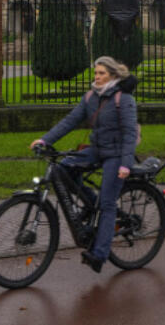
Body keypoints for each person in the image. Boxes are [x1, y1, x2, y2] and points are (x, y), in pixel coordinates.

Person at [30, 56, 138, 273]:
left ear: (113, 76)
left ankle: (99, 255)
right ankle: (91, 202)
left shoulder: (123, 99)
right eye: (95, 73)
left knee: (107, 203)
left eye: (102, 74)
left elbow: (129, 132)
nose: (97, 77)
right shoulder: (90, 97)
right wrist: (45, 140)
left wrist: (126, 163)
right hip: (97, 149)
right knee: (62, 170)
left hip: (117, 154)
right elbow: (70, 121)